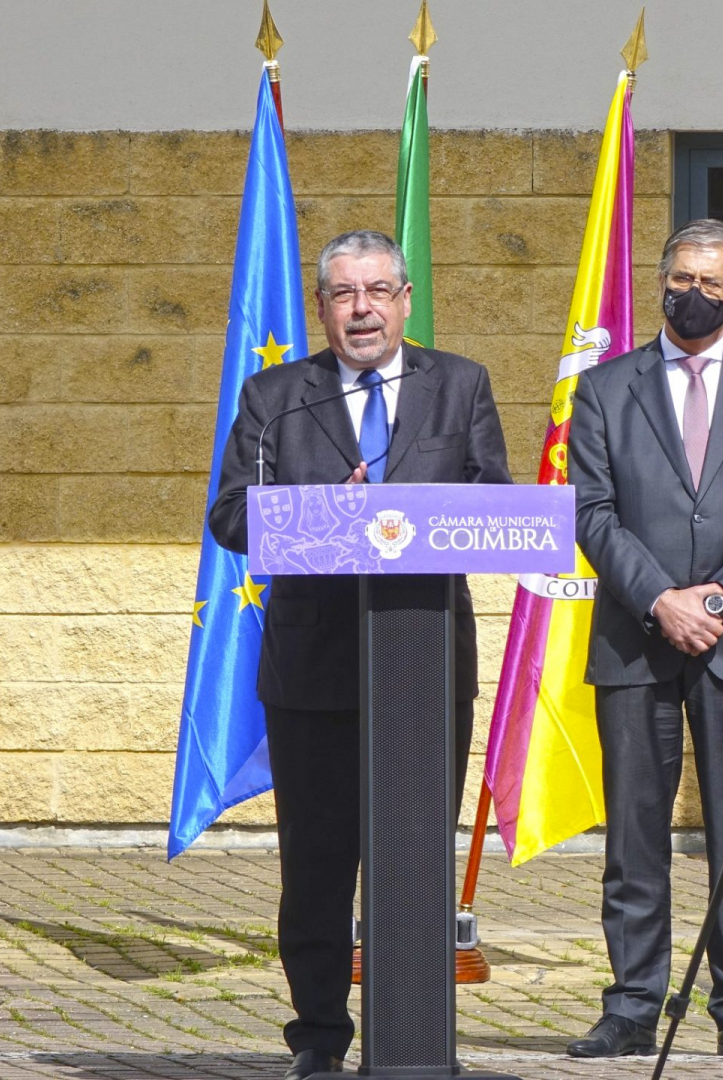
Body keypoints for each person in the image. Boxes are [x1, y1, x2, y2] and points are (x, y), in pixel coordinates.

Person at [208, 229, 510, 1080]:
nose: (363, 309)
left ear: (406, 299)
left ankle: (412, 1037)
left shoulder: (460, 385)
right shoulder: (278, 395)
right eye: (344, 294)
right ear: (323, 307)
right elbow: (233, 516)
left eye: (379, 290)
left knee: (412, 858)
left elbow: (493, 502)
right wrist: (322, 514)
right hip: (315, 670)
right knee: (318, 866)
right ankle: (318, 1039)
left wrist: (405, 509)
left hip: (422, 665)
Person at [564, 219, 723, 1060]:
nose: (693, 294)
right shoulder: (605, 388)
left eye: (712, 284)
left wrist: (716, 598)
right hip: (636, 641)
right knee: (635, 837)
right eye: (681, 277)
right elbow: (592, 513)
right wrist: (660, 600)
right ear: (660, 281)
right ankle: (632, 1006)